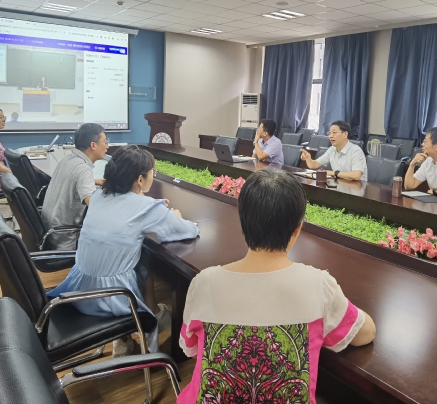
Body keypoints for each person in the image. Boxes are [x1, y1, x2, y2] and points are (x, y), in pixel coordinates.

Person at [178, 169, 376, 402]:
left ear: (243, 222)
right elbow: (366, 333)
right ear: (297, 229)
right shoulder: (318, 285)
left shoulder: (204, 283)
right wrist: (338, 296)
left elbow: (191, 348)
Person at [50, 145, 199, 355]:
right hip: (113, 298)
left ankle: (132, 331)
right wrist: (175, 215)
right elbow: (189, 230)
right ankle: (150, 320)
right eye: (153, 172)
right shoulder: (147, 208)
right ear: (140, 179)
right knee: (143, 259)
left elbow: (126, 210)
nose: (153, 176)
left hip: (78, 289)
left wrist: (152, 206)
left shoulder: (98, 196)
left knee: (142, 257)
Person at [40, 123, 108, 250]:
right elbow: (93, 204)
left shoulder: (68, 159)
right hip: (64, 238)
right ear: (93, 145)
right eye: (105, 142)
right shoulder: (83, 169)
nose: (107, 146)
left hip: (49, 229)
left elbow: (71, 179)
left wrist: (93, 181)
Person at [300, 121, 367, 181]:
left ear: (345, 134)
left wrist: (333, 173)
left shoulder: (356, 151)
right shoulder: (332, 149)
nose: (331, 136)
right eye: (329, 133)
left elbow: (356, 175)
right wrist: (308, 159)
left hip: (357, 187)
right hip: (340, 184)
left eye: (334, 133)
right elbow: (314, 165)